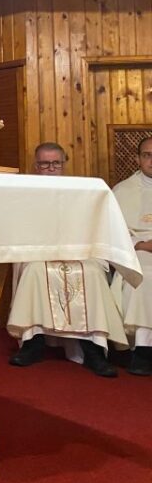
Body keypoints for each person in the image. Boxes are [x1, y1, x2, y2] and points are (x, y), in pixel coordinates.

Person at [5, 142, 124, 377]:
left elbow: (94, 228)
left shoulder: (80, 191)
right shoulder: (25, 192)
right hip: (38, 254)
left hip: (77, 253)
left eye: (55, 163)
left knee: (91, 273)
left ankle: (93, 350)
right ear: (35, 166)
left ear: (64, 164)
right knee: (35, 272)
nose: (50, 168)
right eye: (44, 164)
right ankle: (33, 343)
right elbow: (19, 230)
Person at [111, 135, 152, 376]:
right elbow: (114, 230)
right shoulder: (122, 190)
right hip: (138, 250)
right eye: (147, 155)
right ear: (138, 159)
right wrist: (142, 243)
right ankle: (145, 351)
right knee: (143, 275)